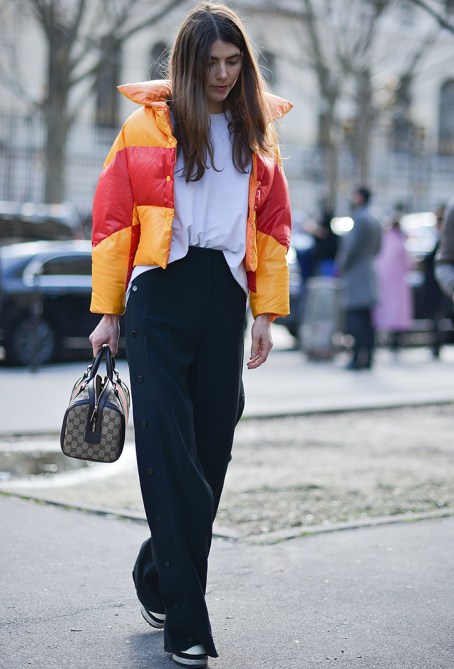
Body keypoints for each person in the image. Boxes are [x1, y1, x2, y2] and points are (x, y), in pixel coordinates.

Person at [88, 3, 292, 667]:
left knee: (210, 453)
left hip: (224, 299)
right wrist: (107, 311)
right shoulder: (144, 129)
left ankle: (157, 571)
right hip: (158, 295)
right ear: (187, 65)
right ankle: (187, 620)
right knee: (168, 451)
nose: (223, 75)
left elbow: (273, 229)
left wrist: (265, 313)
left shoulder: (257, 134)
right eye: (210, 64)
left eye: (233, 62)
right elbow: (113, 222)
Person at [336, 186, 381, 370]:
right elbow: (378, 248)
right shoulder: (375, 218)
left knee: (355, 319)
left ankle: (357, 357)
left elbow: (351, 249)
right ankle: (368, 357)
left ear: (360, 197)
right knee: (367, 319)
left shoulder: (360, 219)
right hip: (368, 274)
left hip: (356, 276)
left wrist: (341, 265)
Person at [373, 215, 413, 354]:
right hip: (398, 282)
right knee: (397, 313)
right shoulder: (400, 243)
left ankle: (387, 340)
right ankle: (395, 343)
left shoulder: (384, 241)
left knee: (386, 312)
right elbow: (408, 264)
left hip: (383, 282)